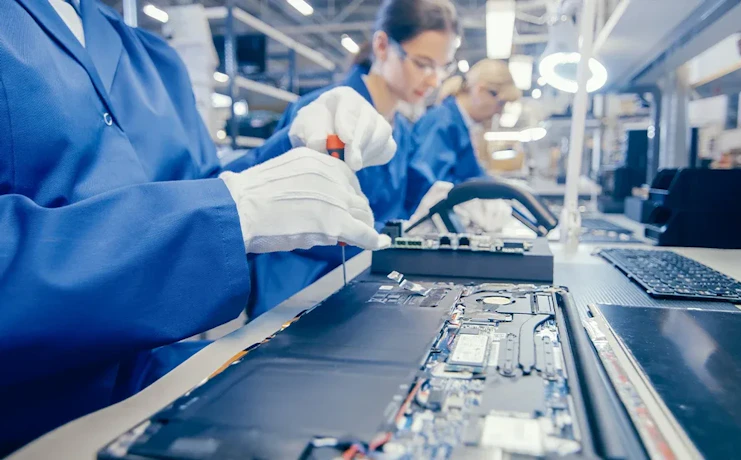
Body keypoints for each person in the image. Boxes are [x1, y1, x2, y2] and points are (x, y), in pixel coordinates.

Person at [0, 0, 394, 454]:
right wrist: (232, 210)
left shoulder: (150, 56)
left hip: (153, 390)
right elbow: (214, 206)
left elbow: (200, 186)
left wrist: (290, 147)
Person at [245, 0, 462, 317]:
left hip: (361, 288)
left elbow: (398, 209)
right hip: (298, 292)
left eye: (443, 67)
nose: (434, 80)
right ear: (383, 45)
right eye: (423, 64)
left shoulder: (402, 131)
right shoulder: (325, 113)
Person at [406, 59, 522, 215]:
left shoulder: (460, 126)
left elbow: (472, 178)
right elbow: (431, 186)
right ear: (481, 90)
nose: (499, 113)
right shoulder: (442, 122)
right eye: (500, 103)